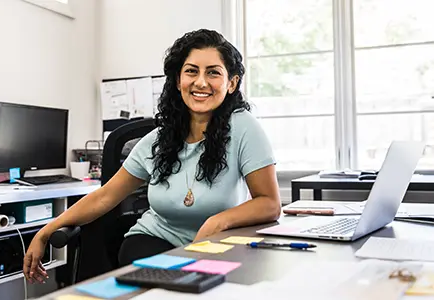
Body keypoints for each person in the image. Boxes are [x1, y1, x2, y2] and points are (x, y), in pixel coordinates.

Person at [23, 28, 281, 284]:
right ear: (179, 80)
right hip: (153, 242)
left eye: (213, 72)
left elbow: (269, 203)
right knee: (169, 286)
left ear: (231, 83)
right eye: (191, 71)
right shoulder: (157, 140)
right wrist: (47, 230)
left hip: (217, 245)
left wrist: (218, 221)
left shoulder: (243, 128)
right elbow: (105, 196)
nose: (201, 82)